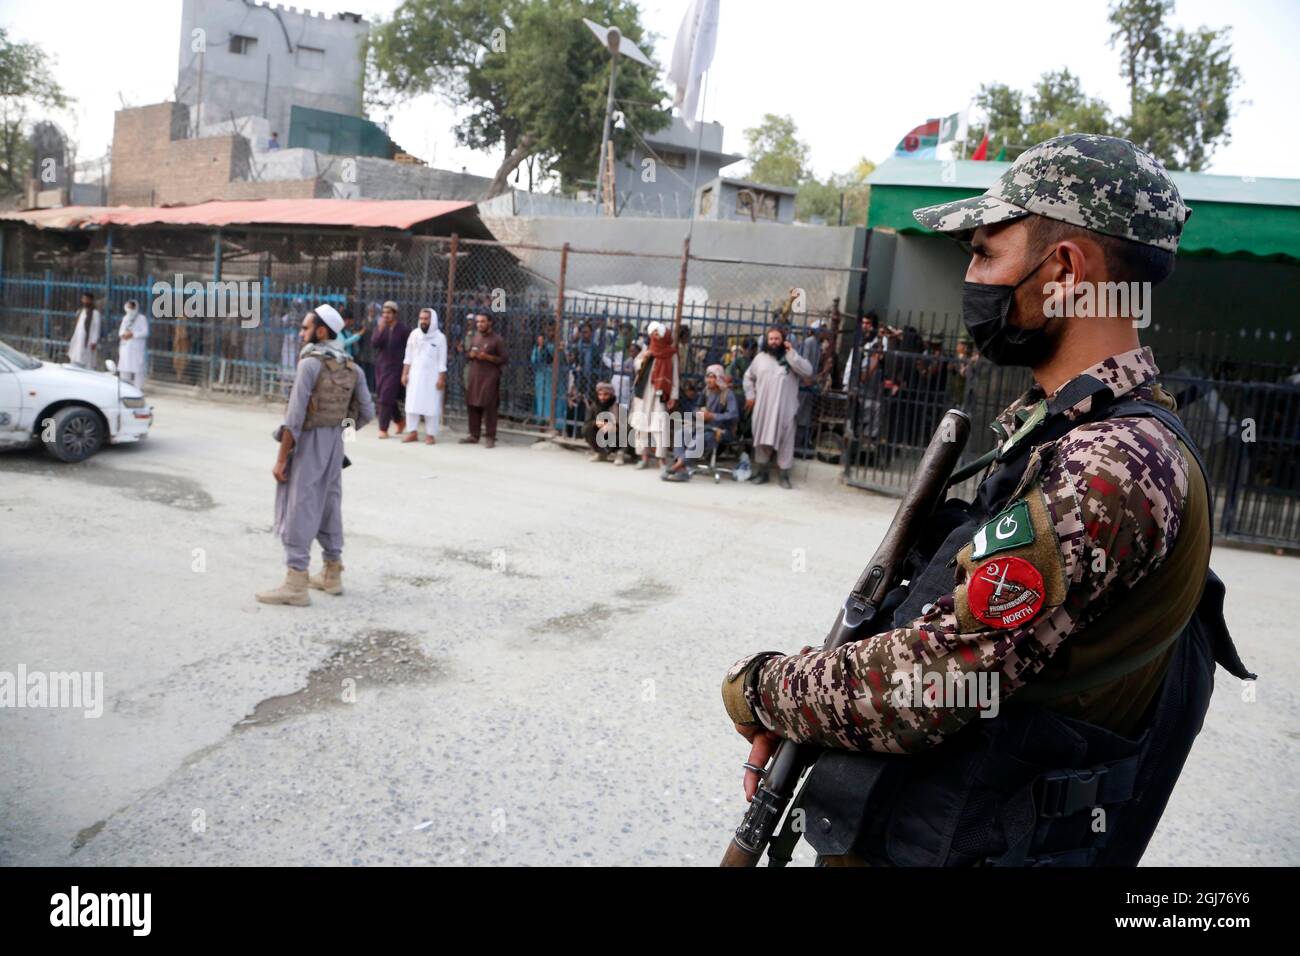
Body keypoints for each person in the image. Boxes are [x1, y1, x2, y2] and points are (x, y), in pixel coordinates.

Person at [721, 134, 1252, 867]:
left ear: (1065, 271)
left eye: (984, 253)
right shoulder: (1067, 429)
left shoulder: (1111, 464)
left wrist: (759, 687)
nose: (970, 277)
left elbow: (932, 679)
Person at [257, 304, 375, 606]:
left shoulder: (310, 365)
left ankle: (296, 583)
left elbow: (294, 418)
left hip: (308, 443)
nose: (300, 332)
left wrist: (282, 459)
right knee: (328, 505)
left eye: (306, 327)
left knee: (300, 505)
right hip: (334, 445)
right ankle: (332, 573)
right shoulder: (352, 367)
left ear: (321, 332)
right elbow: (366, 412)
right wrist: (340, 433)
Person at [743, 327, 814, 488]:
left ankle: (784, 476)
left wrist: (791, 354)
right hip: (764, 408)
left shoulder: (791, 358)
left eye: (777, 339)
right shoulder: (760, 358)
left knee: (786, 441)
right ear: (767, 341)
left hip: (785, 409)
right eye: (771, 339)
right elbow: (748, 377)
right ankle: (763, 473)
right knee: (761, 439)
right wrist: (750, 396)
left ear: (783, 340)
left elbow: (808, 371)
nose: (774, 342)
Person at [628, 321, 679, 470]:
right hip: (643, 392)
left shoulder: (671, 353)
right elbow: (636, 365)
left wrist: (673, 396)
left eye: (658, 333)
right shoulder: (647, 350)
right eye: (653, 333)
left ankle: (661, 460)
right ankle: (643, 457)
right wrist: (645, 358)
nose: (655, 336)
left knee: (660, 425)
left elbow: (675, 376)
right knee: (641, 425)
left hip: (660, 393)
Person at [401, 307, 447, 445]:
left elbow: (442, 361)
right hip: (414, 375)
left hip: (432, 376)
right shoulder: (414, 334)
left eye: (426, 319)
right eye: (421, 318)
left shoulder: (440, 338)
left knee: (431, 405)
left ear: (432, 320)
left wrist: (441, 378)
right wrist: (405, 373)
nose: (423, 321)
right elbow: (408, 356)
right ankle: (412, 432)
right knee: (411, 404)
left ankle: (430, 435)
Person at [460, 312, 507, 447]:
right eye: (478, 322)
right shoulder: (475, 337)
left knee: (489, 405)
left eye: (483, 322)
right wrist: (470, 354)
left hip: (490, 377)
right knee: (472, 403)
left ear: (490, 322)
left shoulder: (497, 340)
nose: (479, 324)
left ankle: (490, 437)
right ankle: (474, 435)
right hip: (474, 375)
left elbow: (504, 359)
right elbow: (468, 353)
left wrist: (487, 357)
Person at [370, 300, 408, 438]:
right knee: (386, 396)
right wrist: (380, 329)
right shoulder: (380, 327)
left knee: (385, 397)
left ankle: (383, 429)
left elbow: (410, 349)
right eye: (384, 313)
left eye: (388, 313)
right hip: (381, 367)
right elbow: (374, 343)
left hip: (396, 368)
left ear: (395, 314)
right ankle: (399, 420)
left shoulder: (403, 330)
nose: (385, 315)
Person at [583, 381, 627, 464]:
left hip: (615, 437)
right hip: (601, 434)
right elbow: (587, 423)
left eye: (606, 395)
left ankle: (620, 453)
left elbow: (625, 427)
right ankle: (600, 453)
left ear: (611, 395)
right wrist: (596, 424)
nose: (602, 397)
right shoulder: (594, 407)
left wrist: (615, 427)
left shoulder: (618, 408)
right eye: (600, 395)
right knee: (587, 429)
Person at [116, 299, 149, 386]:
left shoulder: (141, 318)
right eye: (128, 307)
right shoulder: (125, 318)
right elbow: (120, 332)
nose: (129, 309)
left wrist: (133, 334)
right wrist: (123, 335)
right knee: (124, 367)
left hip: (136, 347)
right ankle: (125, 387)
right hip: (125, 346)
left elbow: (145, 332)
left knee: (138, 369)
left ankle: (138, 388)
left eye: (131, 307)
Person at [67, 291, 100, 369]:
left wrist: (94, 341)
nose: (84, 301)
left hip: (88, 340)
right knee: (75, 357)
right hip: (77, 338)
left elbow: (96, 328)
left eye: (86, 299)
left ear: (91, 300)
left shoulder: (95, 313)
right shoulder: (80, 311)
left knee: (87, 361)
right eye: (83, 299)